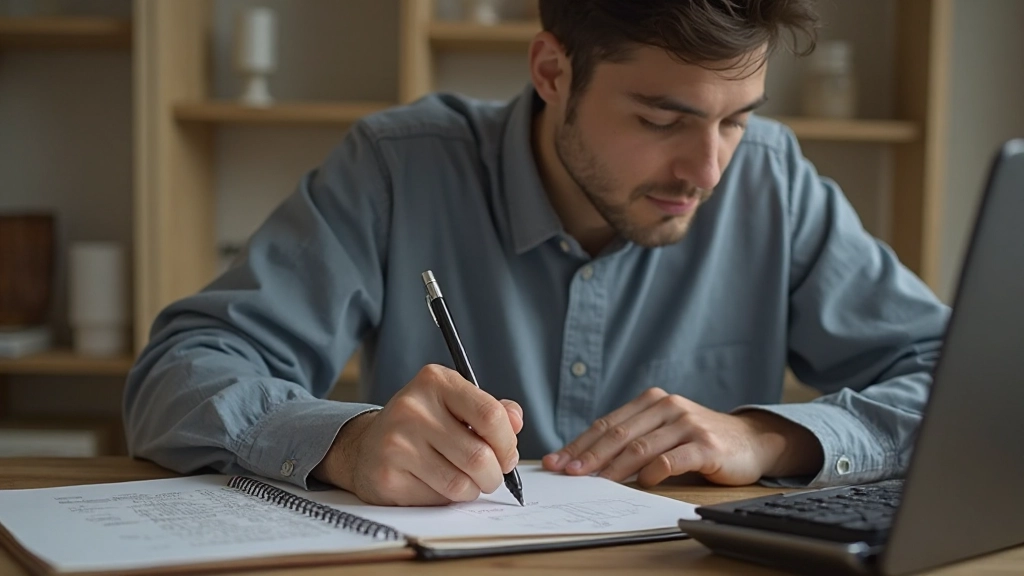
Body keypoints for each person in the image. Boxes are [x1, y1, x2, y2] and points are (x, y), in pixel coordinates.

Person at [124, 0, 949, 507]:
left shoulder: (775, 185)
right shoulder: (397, 168)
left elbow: (968, 387)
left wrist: (770, 440)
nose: (708, 171)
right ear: (554, 69)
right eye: (663, 120)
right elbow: (179, 374)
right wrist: (345, 444)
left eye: (735, 120)